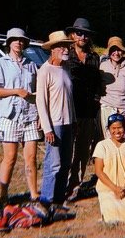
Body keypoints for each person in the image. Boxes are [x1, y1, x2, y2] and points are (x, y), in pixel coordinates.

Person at [0, 28, 41, 204]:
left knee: (31, 158)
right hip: (10, 116)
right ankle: (3, 195)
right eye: (15, 40)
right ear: (9, 42)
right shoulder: (1, 63)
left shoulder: (31, 64)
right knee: (10, 157)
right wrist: (16, 92)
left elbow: (38, 92)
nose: (18, 42)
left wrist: (40, 114)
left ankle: (34, 194)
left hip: (30, 115)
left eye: (22, 40)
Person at [36, 31, 76, 213]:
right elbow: (41, 102)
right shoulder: (44, 71)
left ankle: (58, 201)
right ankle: (45, 201)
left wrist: (74, 121)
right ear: (52, 49)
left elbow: (69, 97)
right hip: (55, 124)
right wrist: (47, 128)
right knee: (53, 163)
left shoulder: (66, 67)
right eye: (61, 46)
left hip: (69, 122)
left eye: (66, 45)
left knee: (66, 163)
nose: (65, 49)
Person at [65, 18, 102, 200]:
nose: (82, 37)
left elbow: (97, 85)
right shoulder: (66, 56)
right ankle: (61, 185)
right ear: (72, 34)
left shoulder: (94, 58)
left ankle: (75, 185)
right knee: (66, 151)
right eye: (79, 33)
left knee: (82, 152)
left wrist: (96, 100)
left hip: (88, 112)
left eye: (86, 34)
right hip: (68, 112)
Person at [93, 113, 125, 225]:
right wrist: (114, 188)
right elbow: (98, 171)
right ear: (108, 129)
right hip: (108, 188)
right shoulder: (101, 145)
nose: (117, 131)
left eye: (120, 128)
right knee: (111, 219)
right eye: (113, 128)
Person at [99, 36, 125, 139]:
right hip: (107, 109)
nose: (116, 53)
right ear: (109, 51)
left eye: (119, 50)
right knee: (109, 142)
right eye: (113, 50)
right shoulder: (103, 66)